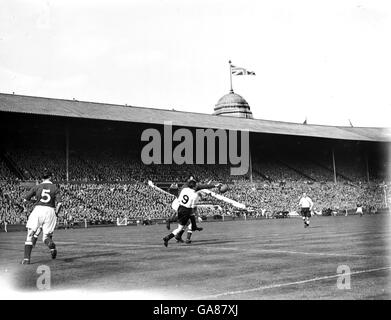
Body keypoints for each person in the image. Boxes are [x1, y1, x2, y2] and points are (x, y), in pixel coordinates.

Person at [163, 176, 220, 247]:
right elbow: (193, 207)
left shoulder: (184, 189)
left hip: (180, 207)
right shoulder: (194, 195)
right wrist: (194, 216)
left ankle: (172, 235)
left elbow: (180, 199)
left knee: (184, 225)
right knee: (186, 225)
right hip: (187, 210)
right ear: (194, 186)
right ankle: (175, 236)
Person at [21, 170, 62, 265]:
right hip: (50, 210)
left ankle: (26, 259)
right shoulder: (55, 187)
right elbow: (59, 203)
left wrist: (32, 203)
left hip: (38, 210)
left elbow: (25, 200)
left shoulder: (37, 187)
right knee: (46, 237)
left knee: (30, 235)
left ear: (42, 178)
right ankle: (51, 246)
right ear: (50, 177)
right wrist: (56, 213)